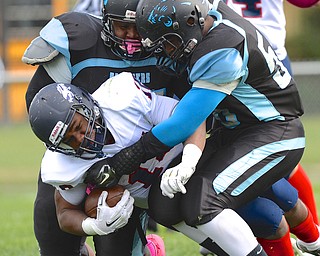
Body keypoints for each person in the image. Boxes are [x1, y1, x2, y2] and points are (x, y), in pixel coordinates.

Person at [82, 0, 309, 255]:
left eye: (168, 42)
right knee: (164, 204)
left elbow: (185, 121)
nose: (165, 51)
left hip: (274, 131)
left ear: (190, 23)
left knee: (204, 202)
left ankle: (309, 239)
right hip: (235, 132)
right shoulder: (203, 17)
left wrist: (124, 160)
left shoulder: (222, 48)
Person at [22, 0, 192, 255]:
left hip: (140, 163)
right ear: (106, 19)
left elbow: (193, 110)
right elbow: (39, 103)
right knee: (53, 236)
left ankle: (147, 248)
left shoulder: (169, 45)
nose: (132, 36)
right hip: (78, 156)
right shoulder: (80, 42)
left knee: (118, 245)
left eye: (139, 27)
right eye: (123, 26)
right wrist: (77, 157)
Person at [28, 72, 207, 255]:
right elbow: (65, 213)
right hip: (127, 201)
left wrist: (188, 161)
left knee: (202, 215)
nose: (80, 138)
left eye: (77, 126)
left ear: (85, 105)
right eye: (68, 140)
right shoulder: (62, 166)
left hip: (176, 174)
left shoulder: (121, 98)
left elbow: (188, 118)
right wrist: (94, 226)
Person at [224, 0, 320, 226]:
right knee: (271, 149)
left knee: (266, 151)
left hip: (228, 53)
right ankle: (311, 229)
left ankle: (307, 229)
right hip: (266, 55)